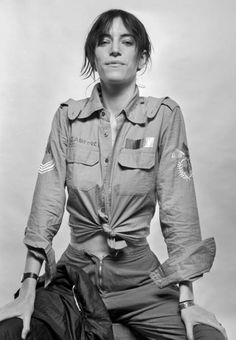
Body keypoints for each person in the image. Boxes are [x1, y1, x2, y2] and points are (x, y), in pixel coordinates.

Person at [0, 9, 227, 340]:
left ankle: (105, 331)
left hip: (140, 281)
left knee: (207, 338)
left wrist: (187, 298)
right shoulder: (68, 118)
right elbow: (46, 200)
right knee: (12, 332)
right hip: (77, 280)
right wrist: (28, 285)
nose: (115, 49)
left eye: (127, 41)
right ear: (94, 53)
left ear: (142, 55)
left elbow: (179, 208)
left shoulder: (164, 116)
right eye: (104, 42)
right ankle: (104, 329)